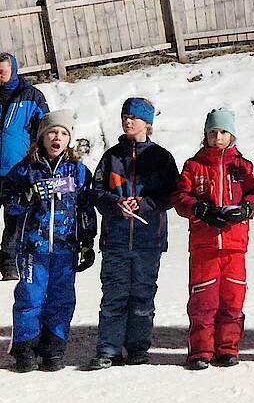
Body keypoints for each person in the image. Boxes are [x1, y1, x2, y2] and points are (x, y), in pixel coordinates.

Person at [88, 97, 179, 370]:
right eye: (124, 116)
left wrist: (144, 204)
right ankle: (109, 348)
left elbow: (172, 194)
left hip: (148, 241)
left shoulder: (162, 158)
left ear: (147, 123)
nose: (127, 121)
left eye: (134, 117)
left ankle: (138, 347)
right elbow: (96, 192)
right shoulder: (111, 156)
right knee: (113, 296)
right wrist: (116, 204)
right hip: (115, 240)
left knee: (142, 295)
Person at [1, 110, 96, 372]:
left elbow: (85, 208)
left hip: (66, 248)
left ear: (69, 139)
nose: (57, 137)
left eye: (64, 133)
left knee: (61, 299)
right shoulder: (25, 169)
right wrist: (25, 198)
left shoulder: (78, 171)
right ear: (42, 137)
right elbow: (8, 200)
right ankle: (25, 348)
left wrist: (86, 241)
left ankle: (53, 348)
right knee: (30, 297)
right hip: (33, 248)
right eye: (52, 132)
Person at [172, 108, 254, 370]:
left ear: (232, 135)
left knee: (233, 299)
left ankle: (227, 347)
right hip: (205, 246)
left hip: (234, 246)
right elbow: (180, 197)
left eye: (223, 132)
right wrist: (199, 209)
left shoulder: (242, 166)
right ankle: (201, 350)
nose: (218, 137)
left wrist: (246, 209)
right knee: (204, 301)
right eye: (213, 132)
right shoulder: (194, 165)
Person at [0, 52, 49, 281]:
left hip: (17, 168)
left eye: (2, 71)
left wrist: (37, 159)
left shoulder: (32, 96)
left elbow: (44, 129)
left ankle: (10, 263)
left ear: (13, 70)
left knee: (15, 219)